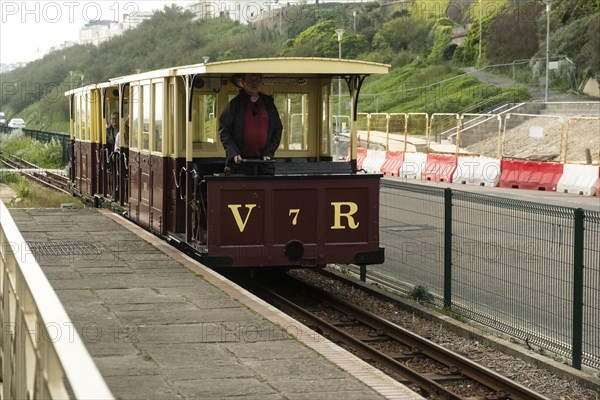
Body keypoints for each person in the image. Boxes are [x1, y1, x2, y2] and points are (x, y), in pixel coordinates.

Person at [219, 73, 283, 175]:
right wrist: (233, 153)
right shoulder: (234, 104)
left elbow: (277, 129)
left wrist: (269, 152)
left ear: (261, 82)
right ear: (243, 83)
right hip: (239, 163)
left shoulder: (269, 104)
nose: (254, 83)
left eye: (257, 80)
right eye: (250, 81)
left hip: (264, 163)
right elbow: (224, 130)